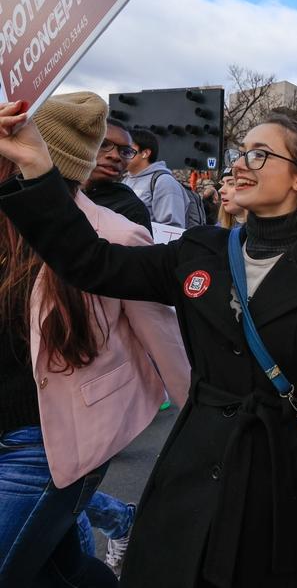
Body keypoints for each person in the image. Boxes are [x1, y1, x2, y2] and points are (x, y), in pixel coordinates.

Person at [0, 103, 297, 588]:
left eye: (261, 155)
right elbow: (91, 262)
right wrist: (37, 167)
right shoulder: (200, 249)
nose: (241, 164)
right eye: (242, 152)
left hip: (276, 477)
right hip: (189, 467)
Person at [0, 93, 189, 587]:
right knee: (55, 571)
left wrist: (200, 441)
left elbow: (165, 341)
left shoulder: (117, 232)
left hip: (50, 440)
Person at [83, 118, 152, 233]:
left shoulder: (132, 210)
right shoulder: (52, 188)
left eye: (125, 151)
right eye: (103, 144)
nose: (115, 156)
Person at [123, 127, 188, 227]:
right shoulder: (124, 180)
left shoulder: (164, 182)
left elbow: (172, 228)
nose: (122, 155)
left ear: (145, 153)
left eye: (128, 151)